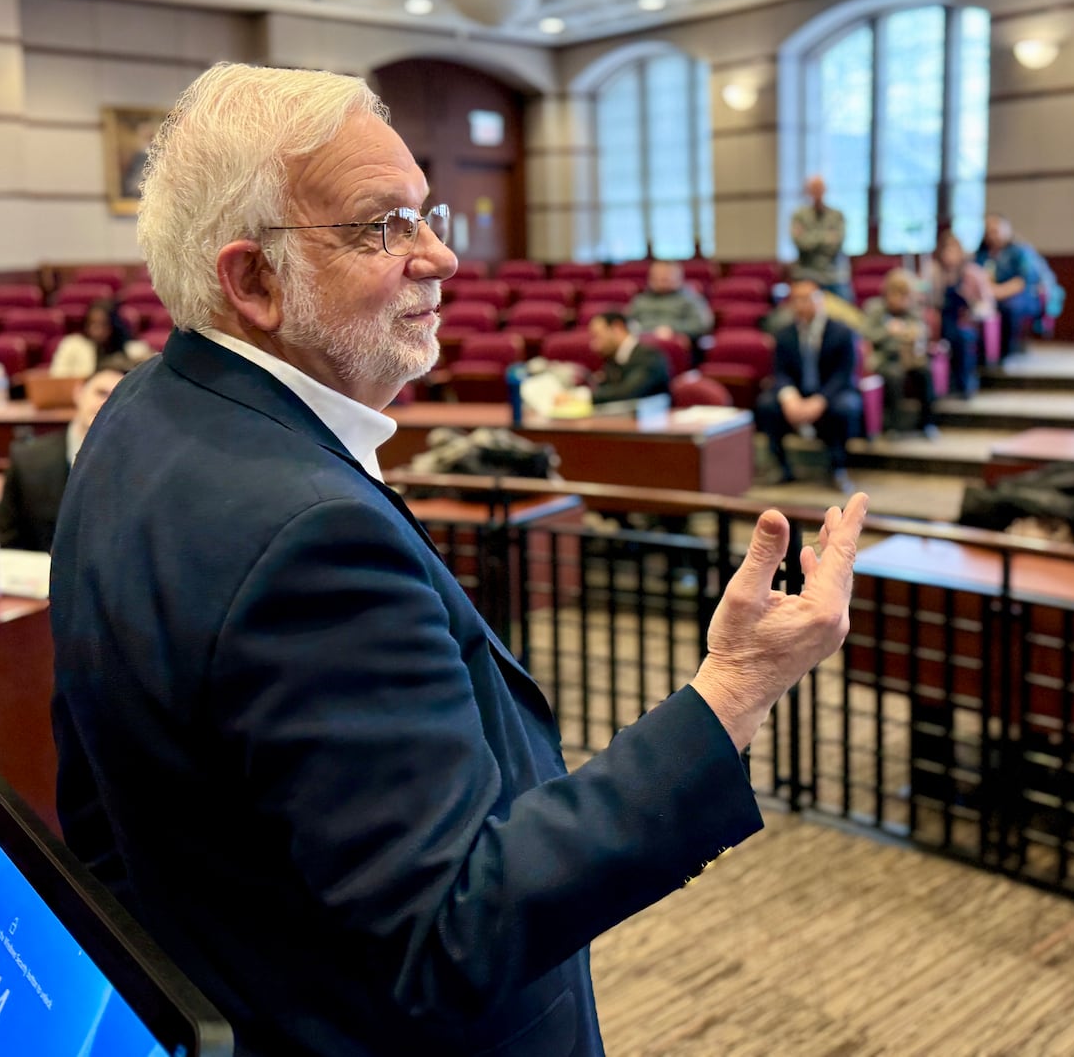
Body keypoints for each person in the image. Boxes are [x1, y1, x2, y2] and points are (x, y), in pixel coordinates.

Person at [49, 63, 871, 1057]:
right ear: (254, 280)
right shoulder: (309, 535)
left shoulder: (136, 417)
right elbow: (453, 929)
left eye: (427, 214)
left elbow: (98, 815)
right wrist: (735, 687)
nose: (440, 255)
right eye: (383, 226)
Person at [0, 358, 131, 552]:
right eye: (101, 393)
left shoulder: (140, 468)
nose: (106, 404)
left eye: (117, 398)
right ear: (78, 393)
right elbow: (6, 542)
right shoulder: (27, 460)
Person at [757, 278, 861, 490]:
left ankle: (837, 468)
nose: (801, 304)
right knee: (766, 404)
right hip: (798, 392)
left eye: (806, 298)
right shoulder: (784, 333)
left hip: (831, 392)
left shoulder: (842, 331)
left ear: (820, 300)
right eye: (796, 299)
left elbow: (844, 374)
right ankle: (782, 467)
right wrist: (790, 398)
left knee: (845, 407)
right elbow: (780, 372)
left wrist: (820, 400)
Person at [861, 269, 936, 439]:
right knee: (894, 375)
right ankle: (893, 425)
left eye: (904, 295)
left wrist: (913, 332)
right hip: (884, 357)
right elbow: (865, 334)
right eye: (895, 294)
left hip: (910, 358)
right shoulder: (874, 308)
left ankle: (927, 423)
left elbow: (924, 332)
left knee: (925, 372)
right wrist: (887, 331)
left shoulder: (913, 310)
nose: (899, 299)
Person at [925, 229, 993, 399]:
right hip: (941, 321)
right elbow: (924, 299)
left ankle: (964, 383)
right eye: (946, 249)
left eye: (953, 248)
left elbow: (987, 305)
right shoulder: (933, 272)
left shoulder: (973, 273)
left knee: (962, 338)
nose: (950, 253)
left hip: (967, 321)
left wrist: (971, 305)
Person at [973, 215, 1042, 358]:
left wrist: (997, 292)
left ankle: (1005, 352)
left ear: (1006, 230)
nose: (991, 235)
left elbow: (1023, 281)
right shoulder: (981, 254)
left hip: (1019, 296)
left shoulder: (1019, 252)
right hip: (987, 294)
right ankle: (981, 353)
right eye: (988, 231)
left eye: (995, 230)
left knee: (1009, 307)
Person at [48, 297, 152, 378]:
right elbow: (56, 377)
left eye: (102, 324)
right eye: (92, 324)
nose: (96, 330)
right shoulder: (72, 345)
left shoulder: (130, 348)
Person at [589, 310, 671, 404]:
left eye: (598, 336)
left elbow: (628, 392)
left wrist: (586, 396)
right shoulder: (613, 358)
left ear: (617, 328)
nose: (594, 345)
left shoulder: (649, 356)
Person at [789, 174, 851, 298]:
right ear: (807, 191)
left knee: (846, 305)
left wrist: (810, 236)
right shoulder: (799, 215)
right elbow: (801, 243)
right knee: (798, 303)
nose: (817, 192)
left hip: (834, 275)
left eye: (819, 188)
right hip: (806, 273)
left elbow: (836, 244)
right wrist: (826, 237)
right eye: (813, 188)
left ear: (825, 189)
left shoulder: (837, 215)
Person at [626, 260, 713, 341]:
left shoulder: (691, 299)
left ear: (679, 277)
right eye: (657, 274)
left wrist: (672, 329)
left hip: (677, 342)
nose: (661, 277)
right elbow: (628, 322)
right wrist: (648, 330)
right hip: (643, 341)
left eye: (666, 274)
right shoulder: (640, 299)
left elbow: (701, 324)